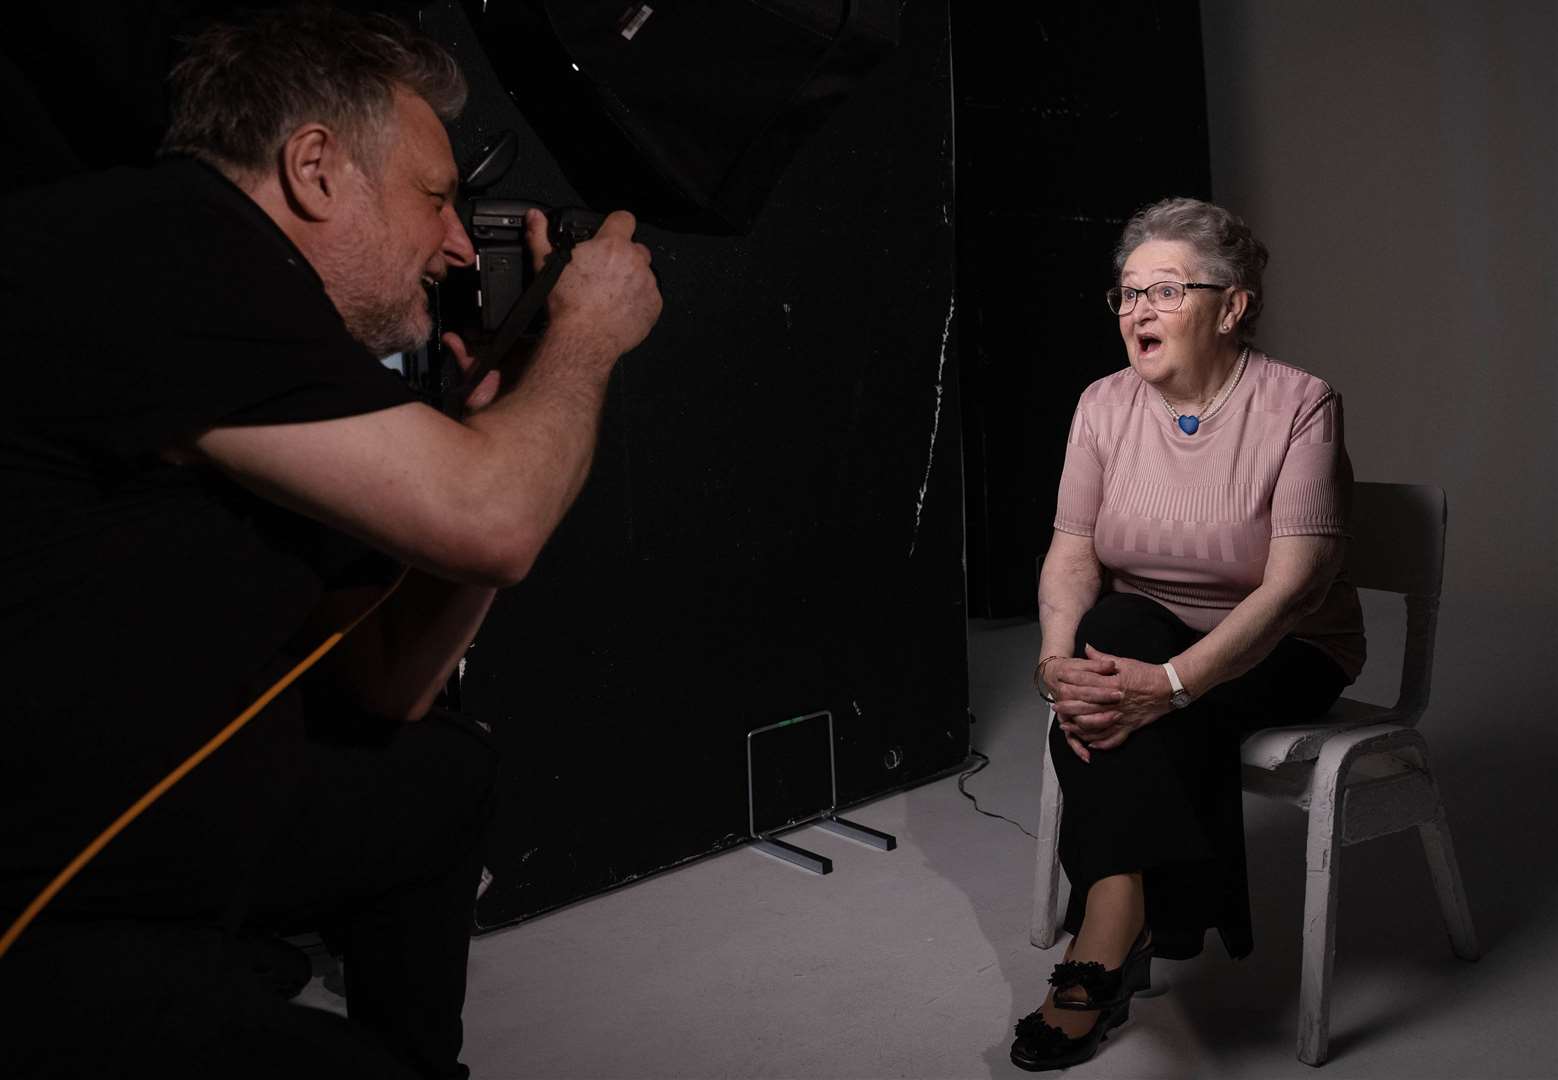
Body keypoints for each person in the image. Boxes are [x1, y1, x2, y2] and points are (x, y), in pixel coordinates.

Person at [0, 8, 660, 1079]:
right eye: (435, 197)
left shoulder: (262, 331)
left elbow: (387, 684)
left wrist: (490, 420)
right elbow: (494, 520)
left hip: (151, 811)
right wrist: (583, 340)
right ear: (314, 167)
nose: (454, 244)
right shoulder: (173, 242)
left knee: (438, 778)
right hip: (48, 893)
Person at [1008, 197, 1365, 1072]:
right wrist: (1059, 660)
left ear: (1233, 305)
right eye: (1127, 294)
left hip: (1285, 649)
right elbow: (1070, 556)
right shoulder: (1102, 405)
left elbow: (1289, 593)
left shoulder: (1300, 404)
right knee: (1109, 636)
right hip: (1140, 639)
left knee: (1141, 692)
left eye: (1164, 291)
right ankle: (1125, 914)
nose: (1137, 312)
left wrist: (1166, 687)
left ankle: (1104, 937)